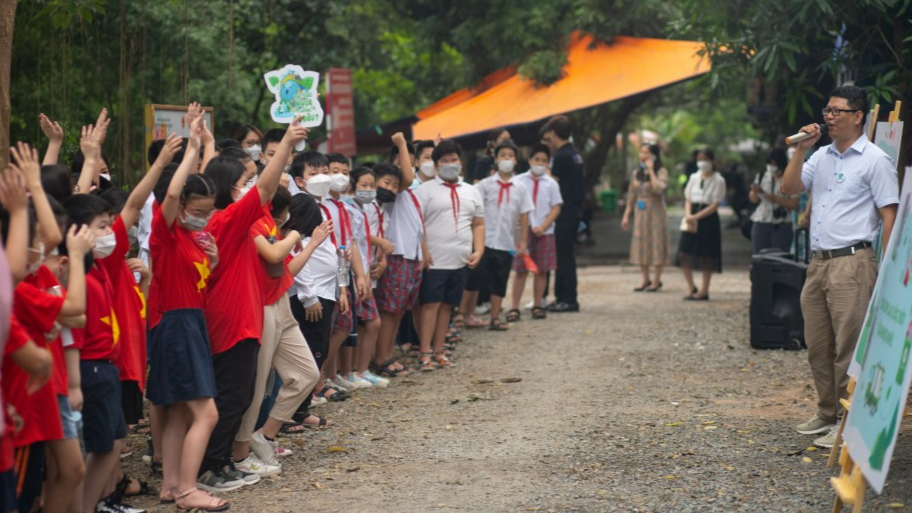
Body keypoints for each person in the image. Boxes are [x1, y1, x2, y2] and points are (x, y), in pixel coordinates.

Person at [780, 85, 898, 449]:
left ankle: (850, 424)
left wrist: (889, 270)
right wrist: (801, 151)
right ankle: (827, 412)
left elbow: (889, 215)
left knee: (849, 347)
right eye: (827, 110)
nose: (828, 117)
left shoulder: (875, 160)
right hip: (818, 263)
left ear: (858, 116)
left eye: (837, 111)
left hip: (853, 262)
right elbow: (789, 188)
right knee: (818, 344)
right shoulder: (822, 156)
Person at [199, 116, 308, 484]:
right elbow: (264, 187)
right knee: (232, 397)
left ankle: (222, 460)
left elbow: (259, 186)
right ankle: (211, 466)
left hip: (243, 318)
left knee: (242, 395)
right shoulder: (227, 221)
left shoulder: (228, 217)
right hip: (232, 322)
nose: (252, 186)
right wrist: (289, 144)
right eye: (243, 182)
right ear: (229, 190)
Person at [232, 185, 324, 469]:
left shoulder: (271, 224)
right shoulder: (255, 222)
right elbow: (274, 258)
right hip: (260, 305)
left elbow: (284, 270)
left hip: (280, 301)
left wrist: (309, 242)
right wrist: (303, 237)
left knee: (307, 373)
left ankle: (265, 435)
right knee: (258, 386)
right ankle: (241, 454)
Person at [414, 139, 485, 370]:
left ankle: (440, 351)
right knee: (430, 305)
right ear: (436, 166)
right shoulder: (424, 191)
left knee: (447, 306)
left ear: (461, 163)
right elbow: (418, 225)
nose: (450, 164)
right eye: (444, 161)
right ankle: (424, 352)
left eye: (453, 160)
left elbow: (478, 223)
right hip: (434, 260)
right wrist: (424, 252)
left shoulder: (472, 191)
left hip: (460, 260)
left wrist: (479, 249)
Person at [460, 141, 532, 331]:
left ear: (515, 160)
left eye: (510, 155)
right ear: (496, 159)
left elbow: (525, 215)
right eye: (503, 155)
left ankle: (494, 318)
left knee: (499, 280)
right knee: (473, 279)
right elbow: (474, 211)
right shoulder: (485, 185)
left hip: (505, 242)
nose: (506, 159)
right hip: (483, 241)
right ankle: (460, 316)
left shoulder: (521, 187)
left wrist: (523, 241)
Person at [372, 134, 423, 377]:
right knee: (390, 310)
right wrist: (402, 144)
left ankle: (387, 354)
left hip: (410, 255)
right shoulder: (394, 190)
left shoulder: (408, 192)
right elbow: (407, 176)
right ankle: (381, 358)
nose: (409, 167)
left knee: (399, 310)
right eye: (405, 162)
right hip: (397, 255)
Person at [508, 144, 562, 319]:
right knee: (521, 269)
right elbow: (513, 204)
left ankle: (538, 305)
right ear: (530, 160)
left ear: (548, 163)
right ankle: (514, 307)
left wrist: (544, 226)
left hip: (545, 232)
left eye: (544, 161)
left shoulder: (551, 183)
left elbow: (556, 207)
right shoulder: (519, 181)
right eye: (537, 159)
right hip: (524, 231)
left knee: (542, 270)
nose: (540, 163)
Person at [540, 115, 584, 312]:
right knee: (565, 255)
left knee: (563, 257)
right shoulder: (575, 153)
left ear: (553, 133)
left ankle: (568, 298)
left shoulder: (561, 156)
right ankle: (561, 297)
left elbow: (552, 183)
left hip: (564, 211)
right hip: (574, 210)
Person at [676, 148, 725, 301]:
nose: (702, 162)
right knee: (684, 252)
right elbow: (688, 198)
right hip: (692, 214)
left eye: (705, 159)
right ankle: (690, 286)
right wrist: (689, 216)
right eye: (699, 159)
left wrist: (697, 216)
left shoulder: (718, 179)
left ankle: (704, 290)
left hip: (708, 218)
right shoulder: (694, 177)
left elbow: (715, 204)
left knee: (707, 255)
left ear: (712, 161)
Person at [622, 143, 670, 292]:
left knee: (656, 241)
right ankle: (645, 279)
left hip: (655, 212)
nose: (643, 156)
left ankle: (656, 280)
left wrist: (651, 170)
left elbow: (658, 189)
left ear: (654, 156)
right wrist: (626, 215)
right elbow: (631, 194)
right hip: (640, 211)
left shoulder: (661, 171)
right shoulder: (637, 172)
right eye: (641, 152)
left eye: (646, 153)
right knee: (641, 243)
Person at [748, 148, 799, 254]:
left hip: (782, 223)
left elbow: (794, 204)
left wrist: (773, 198)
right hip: (761, 220)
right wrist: (754, 191)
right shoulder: (762, 175)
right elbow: (753, 200)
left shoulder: (789, 177)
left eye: (774, 163)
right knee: (759, 257)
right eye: (769, 163)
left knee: (780, 258)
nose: (771, 166)